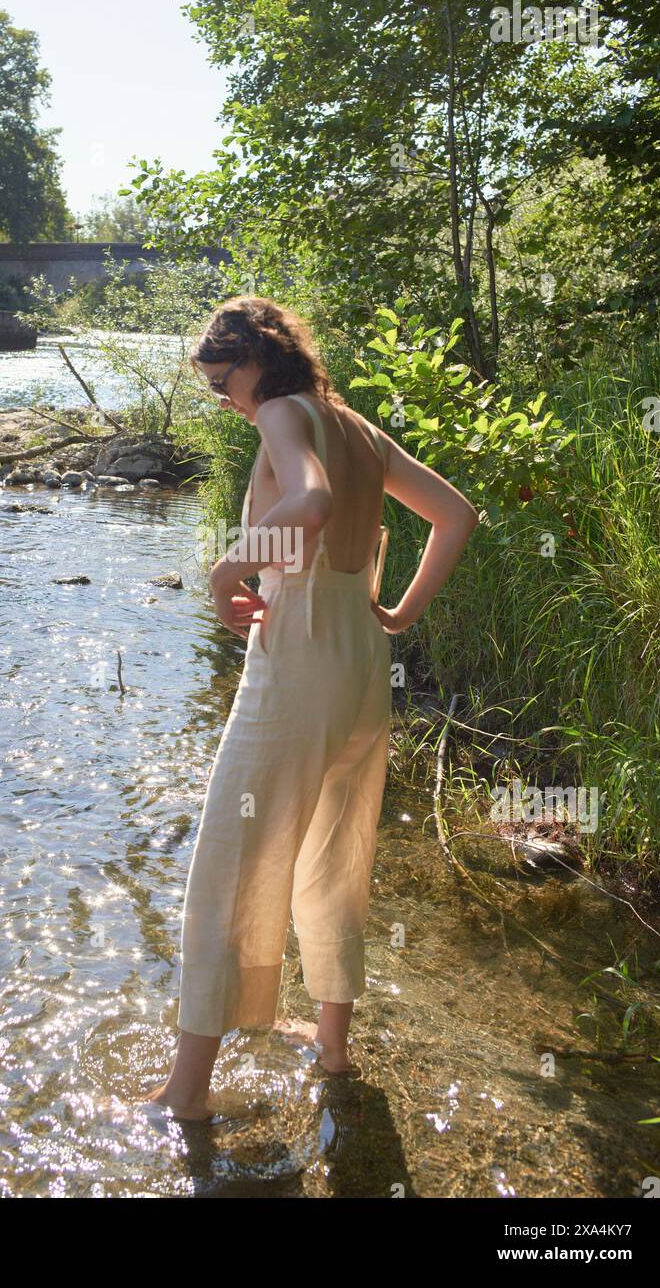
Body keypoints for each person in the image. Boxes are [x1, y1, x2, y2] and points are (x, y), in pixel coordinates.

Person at [143, 297, 478, 1122]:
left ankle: (184, 1095)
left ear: (260, 359)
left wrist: (225, 573)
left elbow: (312, 504)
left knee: (231, 858)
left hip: (297, 664)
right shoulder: (356, 424)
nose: (225, 399)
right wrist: (398, 614)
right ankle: (333, 1045)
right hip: (363, 662)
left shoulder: (285, 413)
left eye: (224, 381)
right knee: (338, 850)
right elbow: (456, 515)